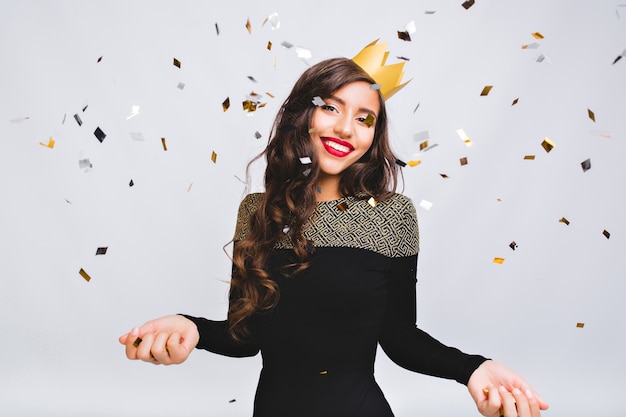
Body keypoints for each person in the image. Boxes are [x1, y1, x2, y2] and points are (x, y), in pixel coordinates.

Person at [119, 42, 549, 417]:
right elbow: (245, 337)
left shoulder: (392, 215)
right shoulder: (257, 211)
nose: (346, 128)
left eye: (365, 118)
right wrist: (190, 327)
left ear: (374, 134)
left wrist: (472, 368)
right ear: (303, 114)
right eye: (331, 107)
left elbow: (400, 338)